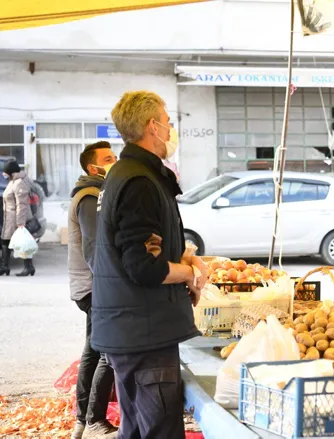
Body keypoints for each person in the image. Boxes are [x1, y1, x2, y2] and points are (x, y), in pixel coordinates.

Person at [91, 91, 207, 439]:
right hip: (143, 331)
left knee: (139, 429)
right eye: (168, 121)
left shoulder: (133, 173)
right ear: (152, 127)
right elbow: (143, 266)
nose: (172, 128)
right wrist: (190, 274)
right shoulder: (138, 180)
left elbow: (150, 242)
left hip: (134, 328)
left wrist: (186, 256)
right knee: (157, 430)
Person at [69, 142, 119, 439]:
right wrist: (110, 283)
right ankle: (95, 422)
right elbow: (93, 248)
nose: (115, 162)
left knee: (93, 349)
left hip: (88, 285)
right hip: (94, 286)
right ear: (93, 167)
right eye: (109, 159)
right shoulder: (90, 197)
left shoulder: (94, 192)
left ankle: (82, 420)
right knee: (108, 350)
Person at [1, 160, 43, 276]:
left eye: (5, 172)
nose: (3, 175)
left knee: (22, 243)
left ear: (10, 172)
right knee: (6, 241)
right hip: (9, 218)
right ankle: (5, 267)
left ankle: (28, 267)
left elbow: (22, 204)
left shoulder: (19, 183)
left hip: (17, 219)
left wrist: (20, 223)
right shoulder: (13, 181)